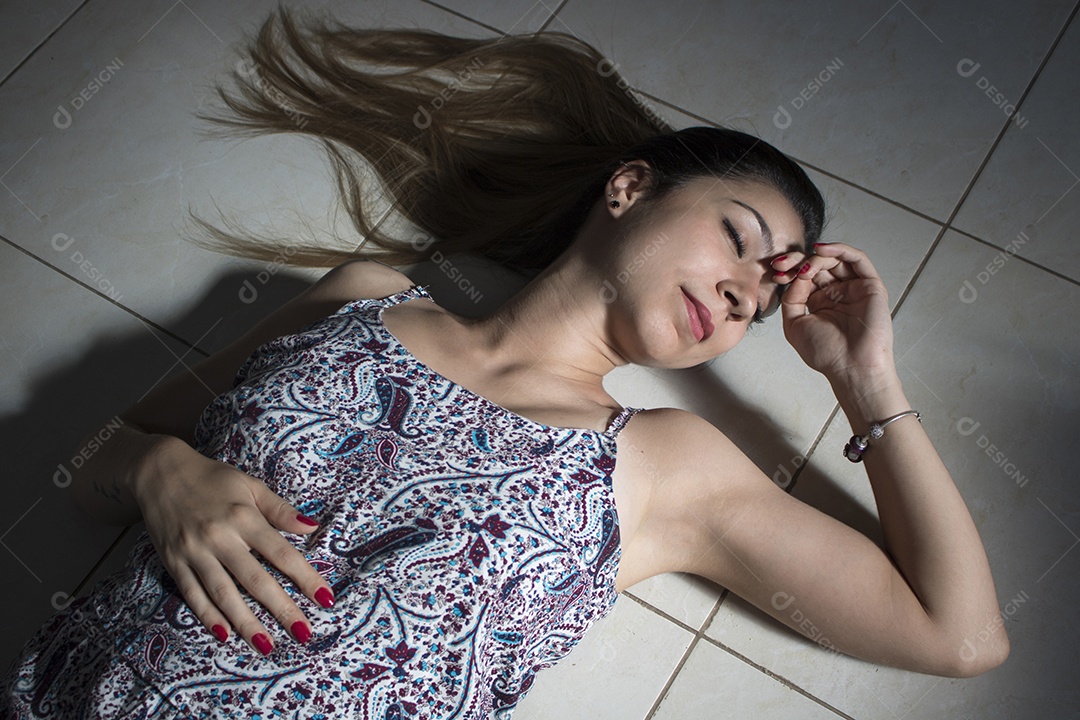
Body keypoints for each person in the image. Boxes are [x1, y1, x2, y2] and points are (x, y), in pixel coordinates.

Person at [1, 9, 1008, 719]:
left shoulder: (664, 468)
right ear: (629, 188)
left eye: (760, 298)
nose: (747, 291)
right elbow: (97, 458)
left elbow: (957, 638)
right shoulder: (363, 298)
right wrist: (163, 473)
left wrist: (863, 379)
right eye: (736, 237)